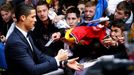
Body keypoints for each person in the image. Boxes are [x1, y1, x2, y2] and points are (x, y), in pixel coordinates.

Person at [5, 3, 83, 75]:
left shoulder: (25, 35)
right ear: (23, 18)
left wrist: (63, 62)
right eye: (33, 17)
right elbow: (33, 70)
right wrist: (57, 59)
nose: (35, 20)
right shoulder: (16, 42)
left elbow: (40, 57)